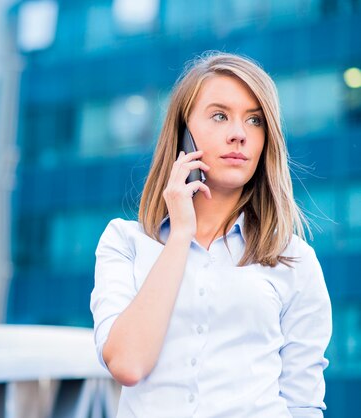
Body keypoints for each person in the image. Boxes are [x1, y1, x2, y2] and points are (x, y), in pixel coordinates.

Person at [90, 51, 332, 417]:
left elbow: (303, 402)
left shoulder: (294, 260)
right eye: (220, 116)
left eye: (254, 120)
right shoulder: (125, 243)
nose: (239, 135)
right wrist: (180, 234)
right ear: (183, 135)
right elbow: (127, 364)